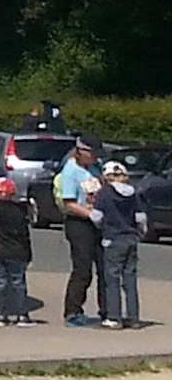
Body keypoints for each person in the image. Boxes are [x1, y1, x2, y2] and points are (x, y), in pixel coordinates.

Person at [54, 136, 105, 326]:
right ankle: (73, 311)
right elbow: (69, 203)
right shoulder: (70, 171)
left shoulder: (95, 169)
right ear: (81, 152)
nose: (95, 158)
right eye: (92, 154)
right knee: (83, 269)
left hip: (99, 223)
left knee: (105, 268)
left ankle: (108, 310)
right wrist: (90, 214)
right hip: (79, 224)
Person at [92, 159, 148, 329]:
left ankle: (114, 317)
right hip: (131, 239)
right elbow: (140, 218)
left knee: (112, 279)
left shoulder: (104, 193)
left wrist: (101, 226)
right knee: (130, 280)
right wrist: (139, 233)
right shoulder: (133, 193)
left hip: (112, 239)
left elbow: (96, 217)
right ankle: (134, 317)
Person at [0, 177, 33, 325]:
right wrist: (28, 254)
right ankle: (22, 315)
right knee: (18, 284)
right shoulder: (19, 212)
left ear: (3, 193)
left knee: (0, 284)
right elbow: (25, 235)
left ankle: (1, 315)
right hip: (17, 252)